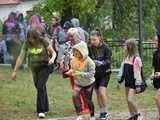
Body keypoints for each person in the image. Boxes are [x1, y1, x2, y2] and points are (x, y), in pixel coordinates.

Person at [11, 30, 56, 119]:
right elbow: (21, 57)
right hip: (34, 68)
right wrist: (15, 71)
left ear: (36, 37)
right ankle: (46, 107)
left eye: (33, 39)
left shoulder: (43, 41)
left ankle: (41, 110)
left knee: (40, 86)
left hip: (45, 66)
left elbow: (53, 53)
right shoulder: (26, 43)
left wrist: (52, 59)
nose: (31, 41)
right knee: (40, 87)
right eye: (29, 39)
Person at [65, 41, 96, 120]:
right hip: (78, 83)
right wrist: (70, 71)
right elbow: (73, 69)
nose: (74, 53)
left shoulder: (90, 62)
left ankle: (92, 115)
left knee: (88, 100)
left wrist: (78, 73)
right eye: (74, 51)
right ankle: (79, 114)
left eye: (76, 51)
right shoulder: (73, 60)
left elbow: (90, 75)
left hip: (89, 83)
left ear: (82, 51)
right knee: (75, 96)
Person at [88, 29, 112, 120]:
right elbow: (88, 58)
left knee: (102, 92)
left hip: (105, 73)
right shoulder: (90, 48)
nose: (92, 42)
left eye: (94, 40)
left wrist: (101, 62)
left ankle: (106, 112)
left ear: (100, 38)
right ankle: (102, 111)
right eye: (91, 40)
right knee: (97, 94)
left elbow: (109, 61)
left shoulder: (106, 48)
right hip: (95, 73)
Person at [118, 39, 143, 120]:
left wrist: (138, 84)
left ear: (130, 46)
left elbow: (138, 73)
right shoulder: (126, 57)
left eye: (125, 45)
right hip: (127, 82)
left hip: (133, 83)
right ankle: (133, 115)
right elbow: (123, 71)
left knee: (130, 100)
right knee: (127, 100)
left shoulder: (136, 59)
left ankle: (139, 114)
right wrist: (119, 81)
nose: (124, 46)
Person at [153, 34, 160, 120]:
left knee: (156, 97)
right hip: (157, 79)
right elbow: (154, 67)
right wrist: (152, 74)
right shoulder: (155, 53)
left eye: (156, 40)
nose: (154, 42)